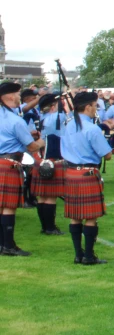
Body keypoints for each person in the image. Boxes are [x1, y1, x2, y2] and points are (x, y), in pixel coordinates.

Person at [61, 92, 114, 264]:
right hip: (87, 174)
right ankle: (88, 256)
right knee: (90, 217)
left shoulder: (68, 125)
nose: (96, 109)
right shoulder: (92, 129)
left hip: (71, 173)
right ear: (87, 107)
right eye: (95, 106)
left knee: (75, 216)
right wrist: (107, 135)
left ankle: (78, 254)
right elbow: (107, 155)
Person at [0, 82, 45, 256]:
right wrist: (43, 140)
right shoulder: (15, 120)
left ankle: (2, 244)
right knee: (9, 206)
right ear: (11, 96)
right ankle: (9, 246)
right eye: (18, 94)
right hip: (10, 164)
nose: (20, 97)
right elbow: (32, 147)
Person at [32, 93, 68, 235]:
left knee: (42, 196)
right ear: (53, 106)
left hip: (41, 159)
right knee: (51, 197)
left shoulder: (43, 118)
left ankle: (44, 227)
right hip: (53, 159)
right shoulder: (58, 117)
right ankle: (50, 228)